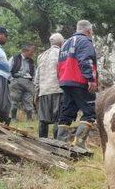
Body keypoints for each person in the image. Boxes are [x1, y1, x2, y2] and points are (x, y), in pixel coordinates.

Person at [57, 20, 99, 148]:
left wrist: (61, 79)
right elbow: (86, 60)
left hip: (66, 81)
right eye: (91, 32)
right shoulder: (85, 41)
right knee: (90, 112)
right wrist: (91, 79)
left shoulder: (65, 43)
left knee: (67, 112)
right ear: (88, 31)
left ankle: (60, 142)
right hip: (80, 81)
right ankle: (79, 144)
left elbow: (59, 64)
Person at [35, 33, 64, 138]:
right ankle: (56, 143)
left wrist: (37, 91)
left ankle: (41, 142)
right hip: (58, 89)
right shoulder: (62, 53)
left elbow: (37, 76)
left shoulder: (41, 56)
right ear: (61, 43)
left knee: (43, 119)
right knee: (58, 118)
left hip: (43, 91)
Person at [9, 43, 36, 121]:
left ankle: (29, 119)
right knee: (14, 101)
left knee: (29, 101)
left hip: (28, 82)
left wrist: (33, 82)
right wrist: (12, 80)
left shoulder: (31, 61)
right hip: (16, 82)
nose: (33, 53)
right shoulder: (14, 58)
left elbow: (34, 72)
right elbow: (8, 70)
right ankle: (13, 118)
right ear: (25, 51)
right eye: (31, 51)